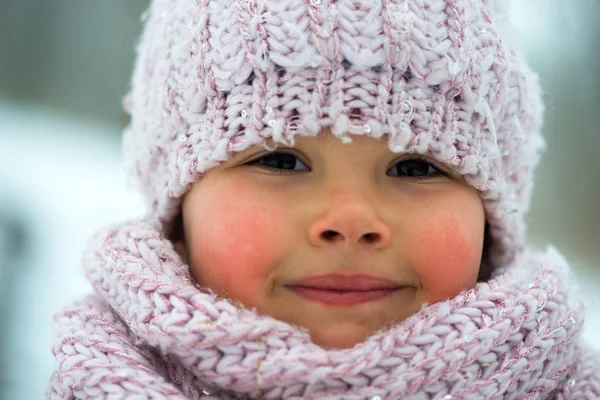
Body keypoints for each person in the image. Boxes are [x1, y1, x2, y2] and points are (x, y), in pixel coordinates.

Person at [47, 0, 599, 398]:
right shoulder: (97, 379)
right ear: (177, 211)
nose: (351, 220)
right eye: (281, 160)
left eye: (415, 166)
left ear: (491, 219)